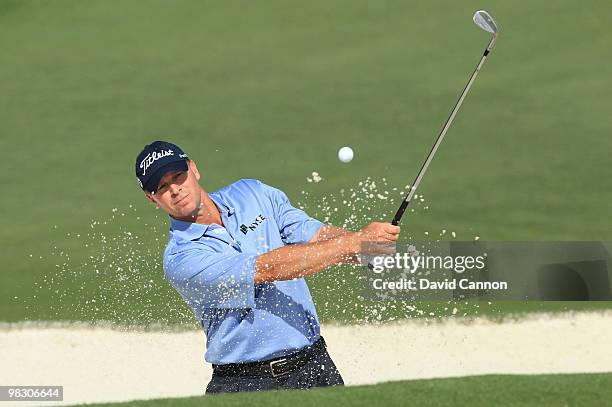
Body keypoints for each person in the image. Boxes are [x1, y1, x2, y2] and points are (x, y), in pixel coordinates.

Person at [134, 141, 400, 394]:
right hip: (245, 384)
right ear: (152, 198)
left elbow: (314, 235)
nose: (175, 189)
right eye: (162, 187)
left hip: (315, 366)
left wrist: (366, 248)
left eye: (177, 176)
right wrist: (353, 245)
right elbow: (265, 270)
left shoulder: (252, 194)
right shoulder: (181, 258)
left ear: (193, 168)